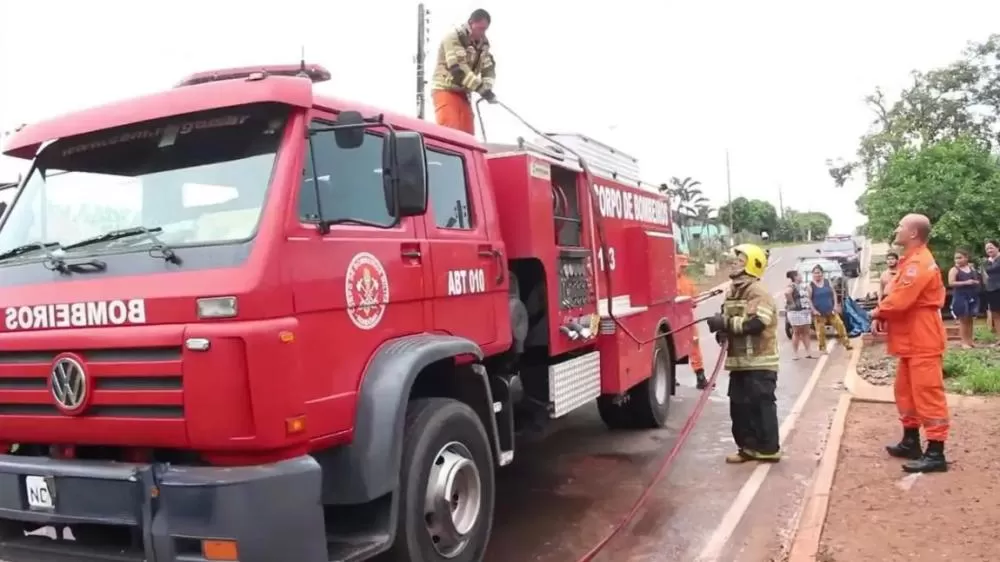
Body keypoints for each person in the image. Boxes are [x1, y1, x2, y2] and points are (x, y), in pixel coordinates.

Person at [873, 213, 949, 473]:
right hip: (911, 339)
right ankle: (911, 441)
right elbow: (893, 293)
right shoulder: (910, 261)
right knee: (905, 392)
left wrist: (877, 313)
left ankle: (936, 452)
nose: (896, 229)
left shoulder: (919, 263)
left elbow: (900, 299)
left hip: (922, 338)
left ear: (913, 233)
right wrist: (883, 313)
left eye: (900, 226)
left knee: (928, 393)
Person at [706, 244, 781, 463]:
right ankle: (747, 448)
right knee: (739, 407)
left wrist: (726, 323)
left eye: (739, 260)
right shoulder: (732, 291)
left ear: (752, 265)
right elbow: (728, 318)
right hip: (739, 363)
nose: (733, 263)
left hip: (759, 362)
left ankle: (768, 450)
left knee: (760, 406)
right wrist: (721, 330)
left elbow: (757, 324)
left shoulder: (758, 292)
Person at [431, 9, 497, 135]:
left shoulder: (483, 46)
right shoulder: (453, 38)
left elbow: (489, 69)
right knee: (450, 132)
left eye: (485, 29)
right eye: (480, 29)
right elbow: (458, 71)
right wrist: (482, 90)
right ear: (471, 23)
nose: (482, 33)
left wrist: (488, 88)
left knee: (468, 135)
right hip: (445, 89)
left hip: (463, 94)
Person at [676, 254, 709, 389]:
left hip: (687, 321)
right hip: (676, 321)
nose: (683, 269)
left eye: (684, 267)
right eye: (681, 266)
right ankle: (672, 378)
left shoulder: (687, 282)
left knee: (694, 347)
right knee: (672, 347)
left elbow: (694, 299)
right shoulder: (669, 282)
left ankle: (700, 377)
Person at [807, 265, 853, 353]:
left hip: (831, 311)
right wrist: (814, 310)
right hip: (819, 313)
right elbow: (809, 299)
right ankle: (823, 348)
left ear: (822, 273)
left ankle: (847, 344)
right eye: (815, 273)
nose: (817, 275)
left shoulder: (827, 282)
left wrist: (835, 305)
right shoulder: (810, 286)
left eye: (818, 273)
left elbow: (834, 293)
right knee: (820, 332)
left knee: (840, 325)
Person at [948, 248, 980, 349]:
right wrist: (966, 282)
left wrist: (975, 282)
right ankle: (963, 342)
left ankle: (970, 341)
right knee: (963, 319)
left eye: (960, 258)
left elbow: (977, 279)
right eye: (956, 258)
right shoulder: (954, 270)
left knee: (970, 318)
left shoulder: (971, 268)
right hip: (960, 296)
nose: (957, 260)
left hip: (972, 295)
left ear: (966, 258)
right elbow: (951, 283)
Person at [785, 270, 814, 359]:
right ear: (795, 277)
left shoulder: (804, 285)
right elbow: (787, 293)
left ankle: (808, 352)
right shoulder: (792, 285)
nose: (801, 277)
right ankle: (795, 353)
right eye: (799, 275)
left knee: (806, 332)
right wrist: (792, 303)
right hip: (795, 312)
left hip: (805, 310)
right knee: (797, 332)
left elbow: (809, 296)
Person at [981, 240, 1000, 338]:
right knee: (995, 314)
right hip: (991, 290)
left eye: (991, 247)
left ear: (997, 247)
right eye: (987, 249)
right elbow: (984, 276)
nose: (989, 250)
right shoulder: (986, 262)